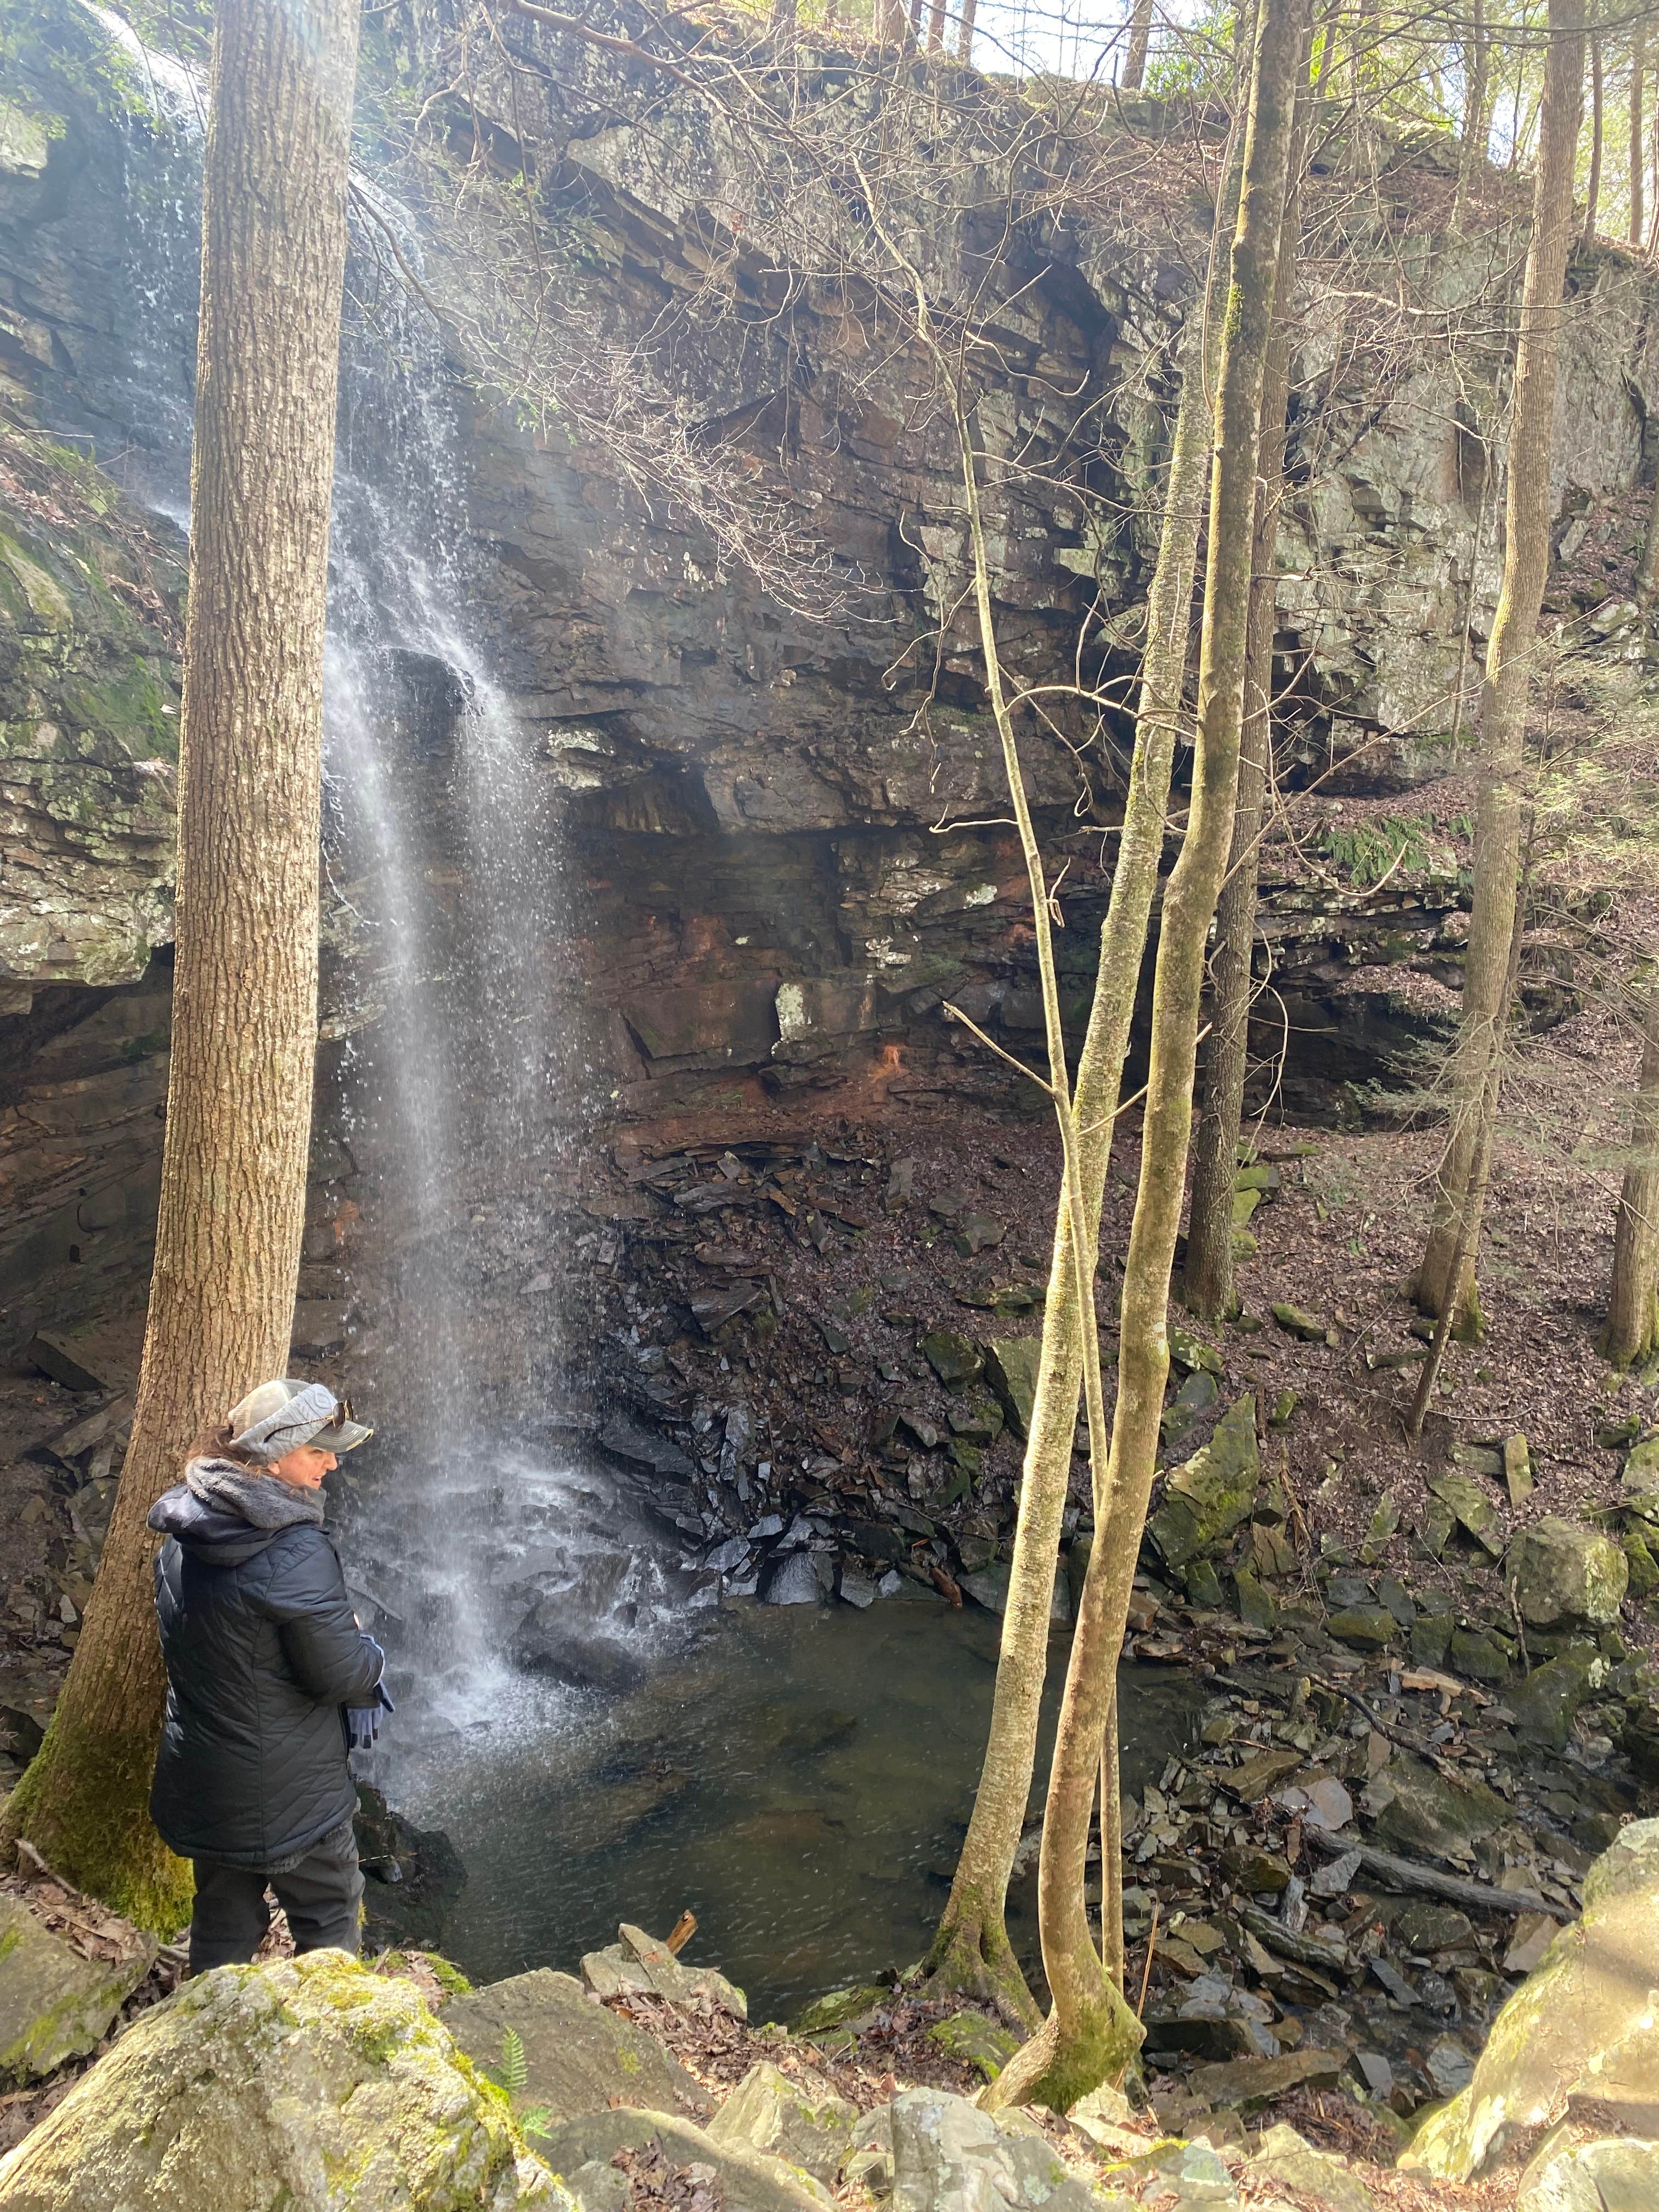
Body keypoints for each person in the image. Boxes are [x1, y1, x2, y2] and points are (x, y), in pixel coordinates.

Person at [148, 1377, 389, 1974]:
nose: (332, 1463)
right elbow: (343, 1676)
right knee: (330, 1919)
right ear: (273, 1455)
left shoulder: (183, 1529)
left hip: (206, 1782)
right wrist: (367, 1644)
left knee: (223, 1923)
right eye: (317, 1451)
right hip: (293, 1796)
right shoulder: (294, 1550)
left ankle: (205, 2042)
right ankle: (335, 2047)